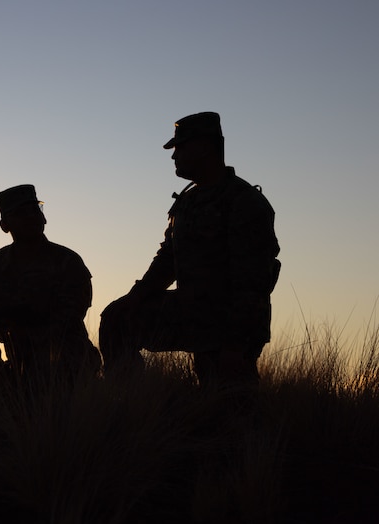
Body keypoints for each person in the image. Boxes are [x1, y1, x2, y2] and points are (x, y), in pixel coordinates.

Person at [98, 112, 280, 392]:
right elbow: (167, 259)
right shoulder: (188, 202)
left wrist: (235, 344)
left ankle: (250, 426)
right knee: (117, 318)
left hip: (232, 319)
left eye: (180, 148)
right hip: (192, 309)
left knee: (228, 395)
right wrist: (136, 297)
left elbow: (253, 283)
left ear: (205, 147)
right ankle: (128, 404)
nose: (174, 156)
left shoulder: (244, 202)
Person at [0, 185, 101, 396]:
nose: (31, 217)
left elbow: (69, 318)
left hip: (65, 361)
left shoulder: (67, 261)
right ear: (4, 225)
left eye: (35, 210)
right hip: (15, 364)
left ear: (44, 218)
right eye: (21, 213)